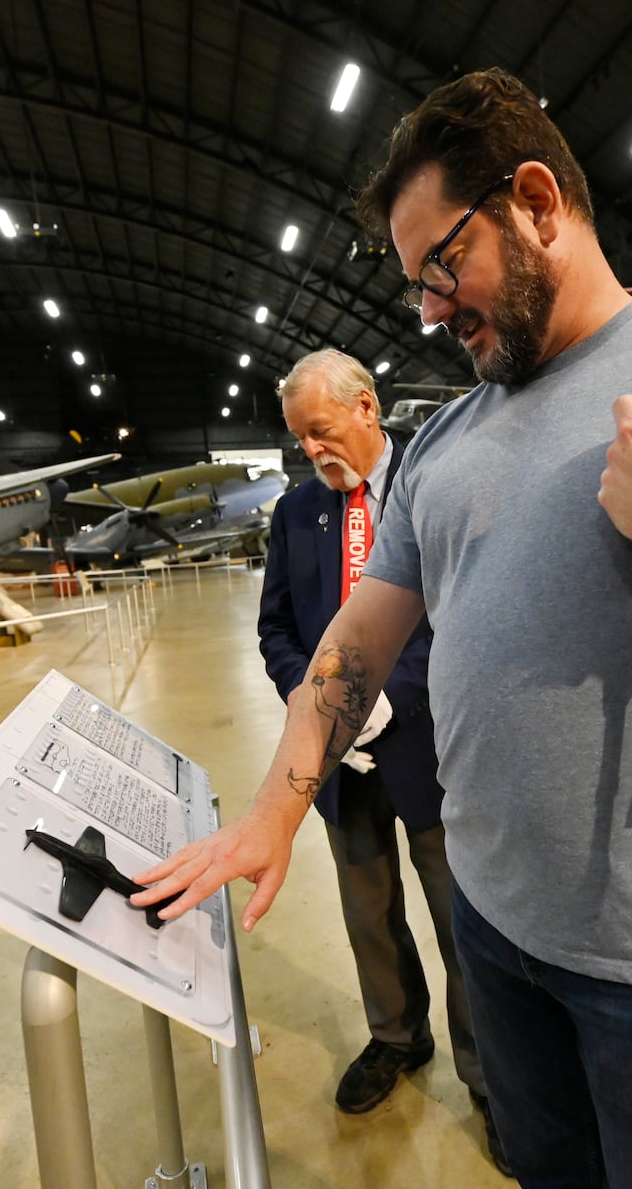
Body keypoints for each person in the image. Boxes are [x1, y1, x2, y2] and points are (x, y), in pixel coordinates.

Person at [136, 67, 632, 1189]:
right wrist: (272, 808)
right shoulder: (444, 438)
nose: (429, 307)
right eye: (414, 283)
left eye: (444, 261)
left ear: (539, 202)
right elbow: (356, 641)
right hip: (494, 936)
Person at [261, 348, 502, 1168]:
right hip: (339, 761)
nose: (312, 451)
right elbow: (278, 632)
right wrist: (324, 703)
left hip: (433, 747)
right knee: (368, 912)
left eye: (321, 431)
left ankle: (489, 1079)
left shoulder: (430, 483)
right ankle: (397, 1037)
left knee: (461, 923)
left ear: (367, 408)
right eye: (299, 440)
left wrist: (388, 695)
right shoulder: (296, 514)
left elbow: (468, 608)